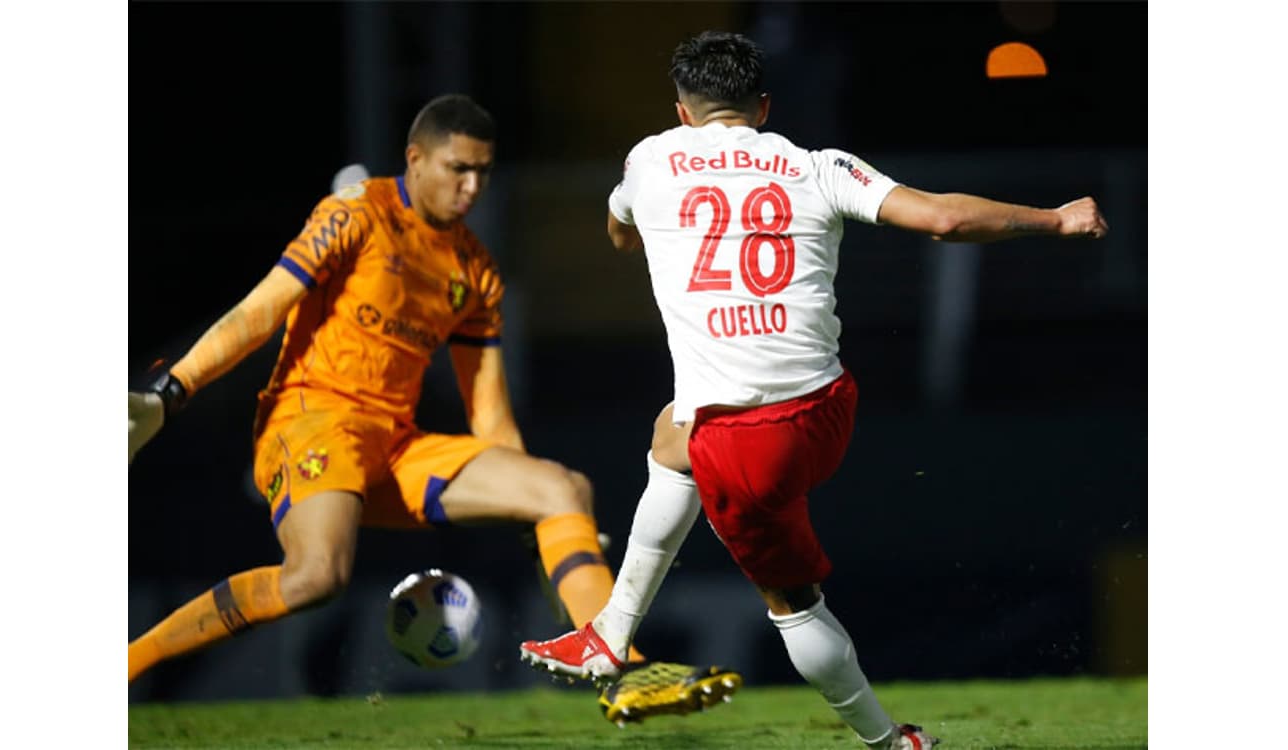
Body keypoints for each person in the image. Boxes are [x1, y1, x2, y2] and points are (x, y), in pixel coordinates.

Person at [518, 31, 1108, 748]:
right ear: (763, 107)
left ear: (681, 111)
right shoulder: (818, 165)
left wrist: (638, 223)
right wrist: (1054, 219)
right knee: (672, 433)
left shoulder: (649, 159)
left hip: (743, 443)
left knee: (791, 601)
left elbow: (619, 232)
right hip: (827, 411)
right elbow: (943, 219)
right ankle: (611, 632)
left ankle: (889, 742)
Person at [127, 93, 738, 721]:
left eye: (483, 172)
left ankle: (623, 668)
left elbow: (489, 413)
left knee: (561, 488)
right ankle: (126, 665)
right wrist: (169, 395)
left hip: (394, 445)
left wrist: (530, 514)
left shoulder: (475, 270)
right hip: (312, 423)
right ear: (415, 160)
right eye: (457, 169)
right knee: (315, 578)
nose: (471, 187)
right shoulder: (356, 215)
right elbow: (261, 310)